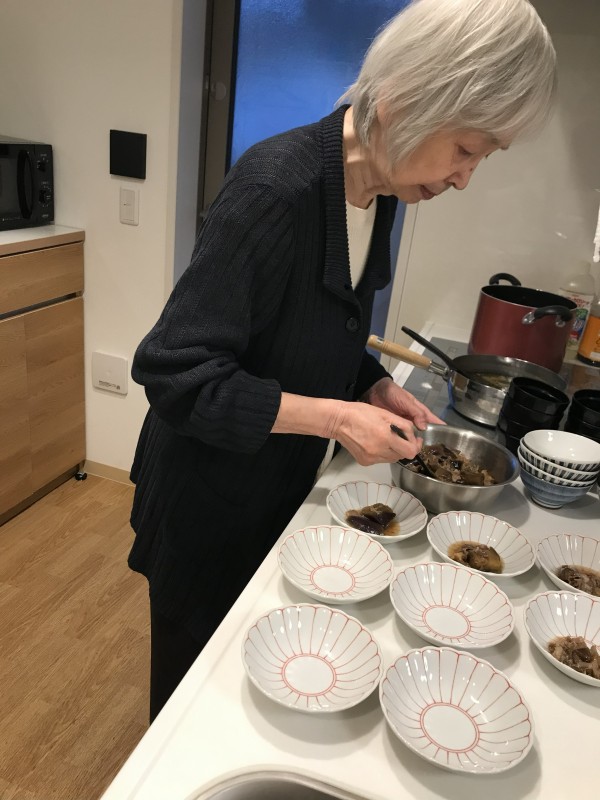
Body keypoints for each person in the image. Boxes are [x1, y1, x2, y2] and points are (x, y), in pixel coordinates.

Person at [129, 0, 557, 722]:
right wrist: (335, 418)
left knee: (264, 690)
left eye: (482, 158)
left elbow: (319, 327)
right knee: (191, 706)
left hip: (279, 491)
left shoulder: (380, 192)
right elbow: (176, 375)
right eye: (466, 148)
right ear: (409, 98)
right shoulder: (276, 189)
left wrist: (374, 385)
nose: (465, 178)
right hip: (208, 506)